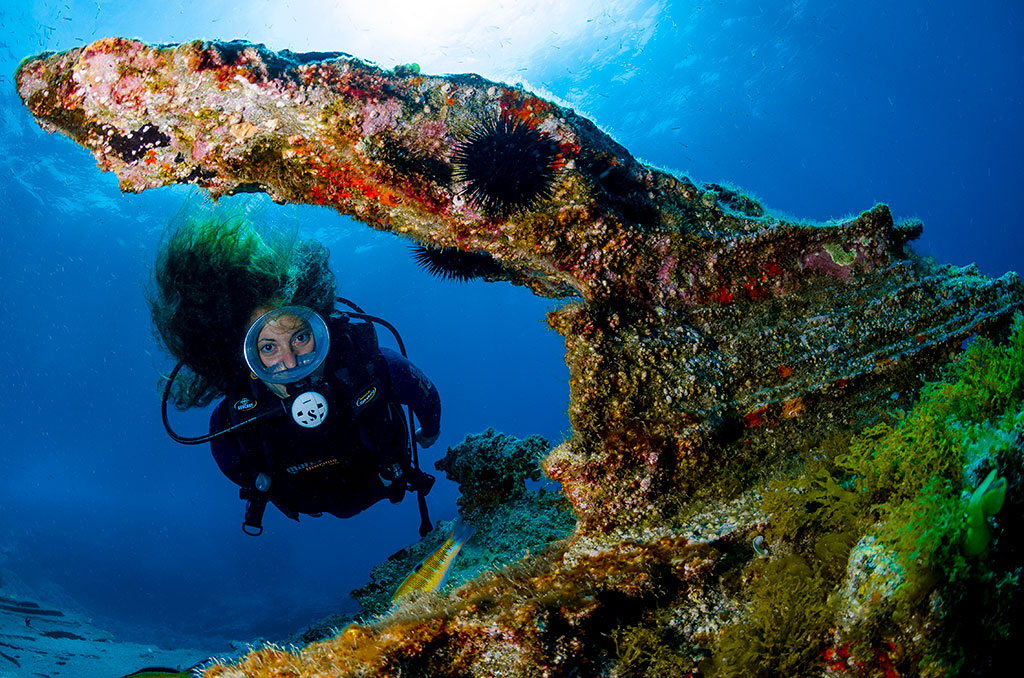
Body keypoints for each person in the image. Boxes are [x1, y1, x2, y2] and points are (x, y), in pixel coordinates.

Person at [148, 214, 440, 535]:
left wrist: (429, 431)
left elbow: (425, 396)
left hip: (383, 484)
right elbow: (233, 464)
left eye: (300, 337)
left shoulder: (374, 368)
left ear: (321, 328)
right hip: (308, 502)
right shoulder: (232, 419)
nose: (290, 363)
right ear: (247, 355)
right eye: (269, 347)